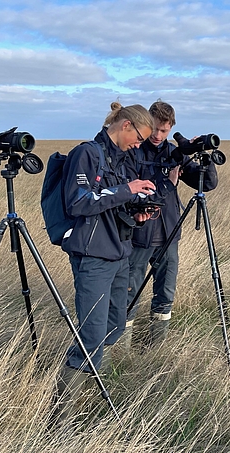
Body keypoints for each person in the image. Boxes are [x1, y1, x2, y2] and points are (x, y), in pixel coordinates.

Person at [53, 101, 156, 425]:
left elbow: (111, 205)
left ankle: (94, 383)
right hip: (94, 256)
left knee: (113, 324)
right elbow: (80, 203)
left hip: (119, 252)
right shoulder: (87, 153)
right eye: (138, 138)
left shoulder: (121, 159)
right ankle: (61, 417)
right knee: (93, 334)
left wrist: (136, 213)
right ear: (125, 125)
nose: (138, 145)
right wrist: (126, 189)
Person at [124, 100, 219, 349]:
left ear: (171, 128)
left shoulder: (174, 153)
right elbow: (136, 193)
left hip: (169, 234)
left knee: (165, 293)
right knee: (128, 292)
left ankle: (156, 348)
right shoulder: (133, 151)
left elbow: (206, 184)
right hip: (138, 235)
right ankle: (121, 349)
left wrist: (204, 158)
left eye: (164, 130)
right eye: (154, 128)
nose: (157, 135)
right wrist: (168, 182)